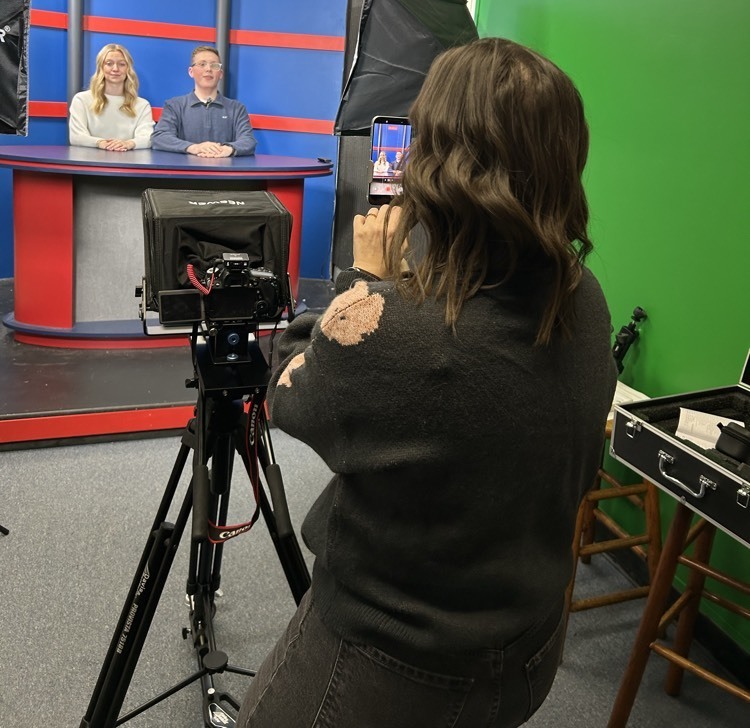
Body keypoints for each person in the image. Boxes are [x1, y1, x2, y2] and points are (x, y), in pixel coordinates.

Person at [237, 38, 617, 728]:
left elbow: (290, 387)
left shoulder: (394, 339)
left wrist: (366, 286)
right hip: (527, 645)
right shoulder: (582, 292)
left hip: (393, 669)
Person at [151, 45, 256, 157]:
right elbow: (160, 137)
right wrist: (194, 148)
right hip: (185, 172)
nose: (208, 69)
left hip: (224, 172)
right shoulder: (174, 105)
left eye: (214, 65)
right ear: (191, 72)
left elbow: (248, 141)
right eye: (202, 64)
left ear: (220, 74)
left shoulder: (236, 108)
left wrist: (228, 149)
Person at [68, 44, 153, 151]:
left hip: (128, 164)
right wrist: (101, 143)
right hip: (90, 163)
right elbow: (76, 137)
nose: (115, 69)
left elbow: (148, 138)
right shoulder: (81, 100)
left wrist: (128, 144)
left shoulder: (142, 105)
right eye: (109, 64)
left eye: (122, 64)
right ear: (101, 68)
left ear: (128, 69)